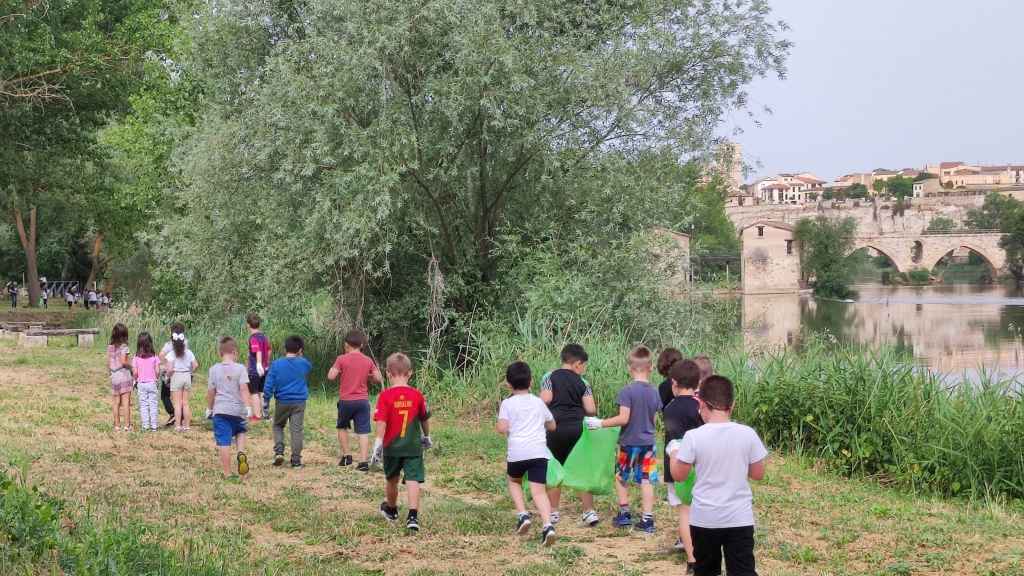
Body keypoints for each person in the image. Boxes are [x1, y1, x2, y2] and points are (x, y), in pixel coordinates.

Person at [670, 375, 768, 576]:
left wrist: (673, 453)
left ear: (702, 403)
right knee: (743, 570)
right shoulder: (747, 433)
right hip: (739, 518)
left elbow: (679, 475)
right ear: (732, 404)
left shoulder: (694, 437)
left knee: (705, 570)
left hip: (705, 518)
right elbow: (758, 473)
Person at [585, 345, 662, 534]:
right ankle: (647, 519)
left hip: (629, 443)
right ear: (651, 367)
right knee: (646, 480)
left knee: (621, 478)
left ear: (630, 368)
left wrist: (600, 423)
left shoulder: (627, 391)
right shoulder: (654, 392)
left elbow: (623, 418)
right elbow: (653, 419)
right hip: (648, 443)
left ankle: (625, 513)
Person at [498, 361, 558, 546]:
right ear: (531, 381)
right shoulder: (538, 402)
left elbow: (502, 428)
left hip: (517, 452)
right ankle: (548, 525)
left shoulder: (507, 403)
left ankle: (523, 514)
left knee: (514, 480)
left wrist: (505, 426)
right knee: (539, 491)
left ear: (508, 384)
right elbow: (552, 425)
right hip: (539, 452)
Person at [540, 343, 600, 527]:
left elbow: (546, 399)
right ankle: (589, 511)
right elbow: (590, 409)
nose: (584, 369)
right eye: (584, 366)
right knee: (583, 468)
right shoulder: (583, 382)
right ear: (577, 364)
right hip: (577, 429)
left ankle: (553, 512)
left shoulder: (549, 377)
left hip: (554, 428)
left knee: (553, 469)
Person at [373, 352, 431, 532]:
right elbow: (424, 419)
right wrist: (426, 436)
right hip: (413, 446)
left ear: (388, 374)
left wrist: (378, 443)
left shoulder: (385, 396)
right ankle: (413, 517)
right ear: (410, 373)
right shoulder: (417, 395)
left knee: (392, 479)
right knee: (413, 479)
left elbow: (381, 422)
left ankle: (391, 510)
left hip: (392, 447)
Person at [663, 359, 704, 572]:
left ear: (674, 383)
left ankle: (691, 560)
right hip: (700, 468)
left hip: (677, 466)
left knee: (684, 513)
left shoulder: (669, 408)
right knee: (701, 511)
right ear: (698, 383)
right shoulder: (701, 407)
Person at [328, 329, 383, 470]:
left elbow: (331, 376)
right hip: (362, 401)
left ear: (346, 344)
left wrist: (340, 370)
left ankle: (347, 457)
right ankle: (363, 462)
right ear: (362, 345)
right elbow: (378, 378)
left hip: (346, 401)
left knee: (342, 427)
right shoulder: (368, 360)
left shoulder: (341, 359)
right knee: (363, 431)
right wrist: (369, 375)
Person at [205, 337, 253, 480]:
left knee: (224, 441)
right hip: (238, 410)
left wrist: (209, 408)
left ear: (220, 353)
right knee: (240, 431)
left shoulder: (214, 369)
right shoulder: (241, 369)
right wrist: (248, 406)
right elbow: (244, 389)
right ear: (234, 352)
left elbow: (211, 391)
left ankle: (227, 472)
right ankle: (240, 452)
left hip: (220, 411)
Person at [263, 335, 312, 468]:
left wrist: (266, 400)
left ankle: (279, 452)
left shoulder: (277, 364)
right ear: (300, 350)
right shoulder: (305, 364)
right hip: (299, 401)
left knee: (278, 425)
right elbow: (307, 367)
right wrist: (299, 355)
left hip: (282, 401)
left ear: (285, 348)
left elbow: (269, 384)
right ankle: (296, 460)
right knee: (296, 430)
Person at [165, 324, 198, 432]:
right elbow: (195, 365)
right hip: (187, 376)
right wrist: (190, 372)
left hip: (176, 377)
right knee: (186, 403)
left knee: (177, 404)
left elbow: (169, 370)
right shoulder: (189, 352)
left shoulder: (171, 354)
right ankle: (187, 426)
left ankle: (178, 425)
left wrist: (167, 377)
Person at [131, 332, 162, 432]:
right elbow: (157, 371)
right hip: (152, 383)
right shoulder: (155, 357)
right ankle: (154, 426)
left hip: (141, 384)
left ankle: (145, 425)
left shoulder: (136, 358)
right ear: (150, 344)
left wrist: (136, 379)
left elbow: (135, 373)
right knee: (153, 404)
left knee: (143, 405)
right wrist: (156, 378)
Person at [158, 323, 187, 427]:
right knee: (182, 398)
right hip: (184, 374)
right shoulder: (186, 343)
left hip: (170, 374)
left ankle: (173, 413)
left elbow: (161, 355)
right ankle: (182, 418)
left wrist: (165, 365)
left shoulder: (169, 345)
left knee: (165, 395)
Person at [246, 313, 272, 421]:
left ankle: (257, 415)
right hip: (265, 368)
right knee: (262, 391)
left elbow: (258, 351)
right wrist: (266, 363)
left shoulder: (253, 338)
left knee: (254, 392)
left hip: (256, 369)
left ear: (248, 325)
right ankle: (264, 414)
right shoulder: (264, 337)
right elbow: (269, 350)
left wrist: (258, 364)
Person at [107, 323, 133, 431]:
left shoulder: (110, 347)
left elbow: (108, 363)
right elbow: (123, 362)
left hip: (114, 376)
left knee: (116, 402)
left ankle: (117, 426)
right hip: (123, 375)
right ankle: (127, 426)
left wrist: (110, 373)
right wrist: (131, 367)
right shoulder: (124, 347)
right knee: (126, 402)